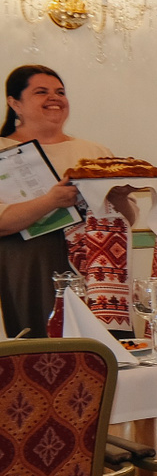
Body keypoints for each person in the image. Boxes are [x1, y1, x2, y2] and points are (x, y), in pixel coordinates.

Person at [0, 66, 110, 337]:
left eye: (60, 92)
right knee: (43, 346)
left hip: (95, 268)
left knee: (98, 347)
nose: (55, 98)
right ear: (15, 103)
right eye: (41, 92)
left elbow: (124, 221)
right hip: (28, 265)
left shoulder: (94, 151)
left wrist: (118, 198)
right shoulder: (3, 151)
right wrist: (51, 201)